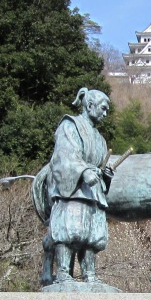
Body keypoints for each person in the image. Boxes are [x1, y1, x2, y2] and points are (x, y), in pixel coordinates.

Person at [47, 87, 113, 283]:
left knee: (93, 234)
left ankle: (89, 273)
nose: (105, 113)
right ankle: (63, 272)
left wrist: (106, 174)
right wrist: (83, 171)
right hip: (74, 187)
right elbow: (64, 155)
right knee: (70, 229)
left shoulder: (100, 138)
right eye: (103, 108)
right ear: (90, 105)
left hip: (93, 191)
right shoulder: (70, 125)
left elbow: (100, 165)